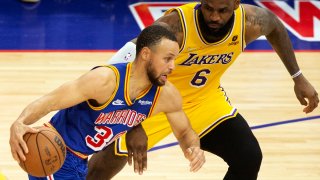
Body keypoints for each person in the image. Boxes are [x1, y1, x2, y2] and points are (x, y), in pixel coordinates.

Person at [87, 0, 319, 180]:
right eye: (208, 8)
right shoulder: (173, 27)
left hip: (203, 100)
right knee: (99, 171)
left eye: (222, 10)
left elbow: (276, 27)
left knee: (248, 156)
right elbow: (122, 67)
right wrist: (133, 125)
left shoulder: (250, 21)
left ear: (236, 4)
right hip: (154, 101)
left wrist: (298, 77)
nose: (214, 16)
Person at [9, 25, 205, 180]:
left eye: (174, 60)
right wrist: (20, 123)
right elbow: (49, 101)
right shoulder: (104, 80)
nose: (172, 67)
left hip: (81, 161)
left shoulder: (165, 95)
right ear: (145, 54)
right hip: (54, 153)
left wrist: (193, 149)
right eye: (167, 59)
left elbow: (185, 132)